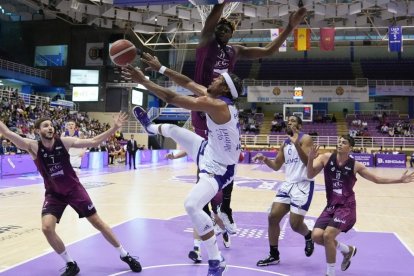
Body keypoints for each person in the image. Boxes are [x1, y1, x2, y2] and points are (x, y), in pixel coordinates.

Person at [190, 2, 307, 237]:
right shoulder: (206, 44)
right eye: (220, 28)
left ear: (232, 33)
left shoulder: (235, 50)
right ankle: (204, 210)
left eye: (228, 29)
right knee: (206, 164)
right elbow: (212, 17)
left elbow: (269, 51)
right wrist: (221, 4)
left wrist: (289, 27)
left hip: (224, 107)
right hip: (203, 104)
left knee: (230, 156)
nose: (224, 31)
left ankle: (225, 209)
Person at [122, 62, 242, 276]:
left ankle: (216, 260)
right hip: (208, 148)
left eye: (219, 80)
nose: (213, 79)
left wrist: (144, 81)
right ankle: (150, 128)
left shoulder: (218, 106)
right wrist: (160, 68)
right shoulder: (216, 99)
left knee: (191, 205)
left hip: (220, 169)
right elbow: (187, 82)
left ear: (224, 89)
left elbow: (172, 98)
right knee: (171, 129)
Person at [0, 113, 142, 276]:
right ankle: (71, 264)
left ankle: (125, 255)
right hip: (54, 194)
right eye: (45, 125)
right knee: (47, 228)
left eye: (51, 124)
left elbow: (94, 141)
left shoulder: (64, 142)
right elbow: (8, 133)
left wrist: (114, 128)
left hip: (74, 190)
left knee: (97, 222)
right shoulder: (33, 146)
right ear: (38, 130)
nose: (50, 127)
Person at [306, 135, 414, 276]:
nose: (339, 144)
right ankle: (346, 250)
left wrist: (399, 180)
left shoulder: (356, 165)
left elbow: (376, 179)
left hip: (346, 207)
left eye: (343, 142)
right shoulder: (325, 158)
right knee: (316, 236)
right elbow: (309, 175)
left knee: (327, 236)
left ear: (350, 147)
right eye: (339, 141)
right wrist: (310, 159)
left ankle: (330, 273)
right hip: (331, 206)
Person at [252, 115, 315, 266]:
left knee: (295, 225)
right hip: (288, 184)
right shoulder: (284, 143)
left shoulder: (306, 139)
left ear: (299, 125)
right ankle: (274, 254)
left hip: (303, 184)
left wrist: (297, 145)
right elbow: (277, 166)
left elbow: (308, 163)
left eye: (293, 121)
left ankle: (308, 236)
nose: (289, 122)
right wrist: (265, 159)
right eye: (288, 121)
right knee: (272, 217)